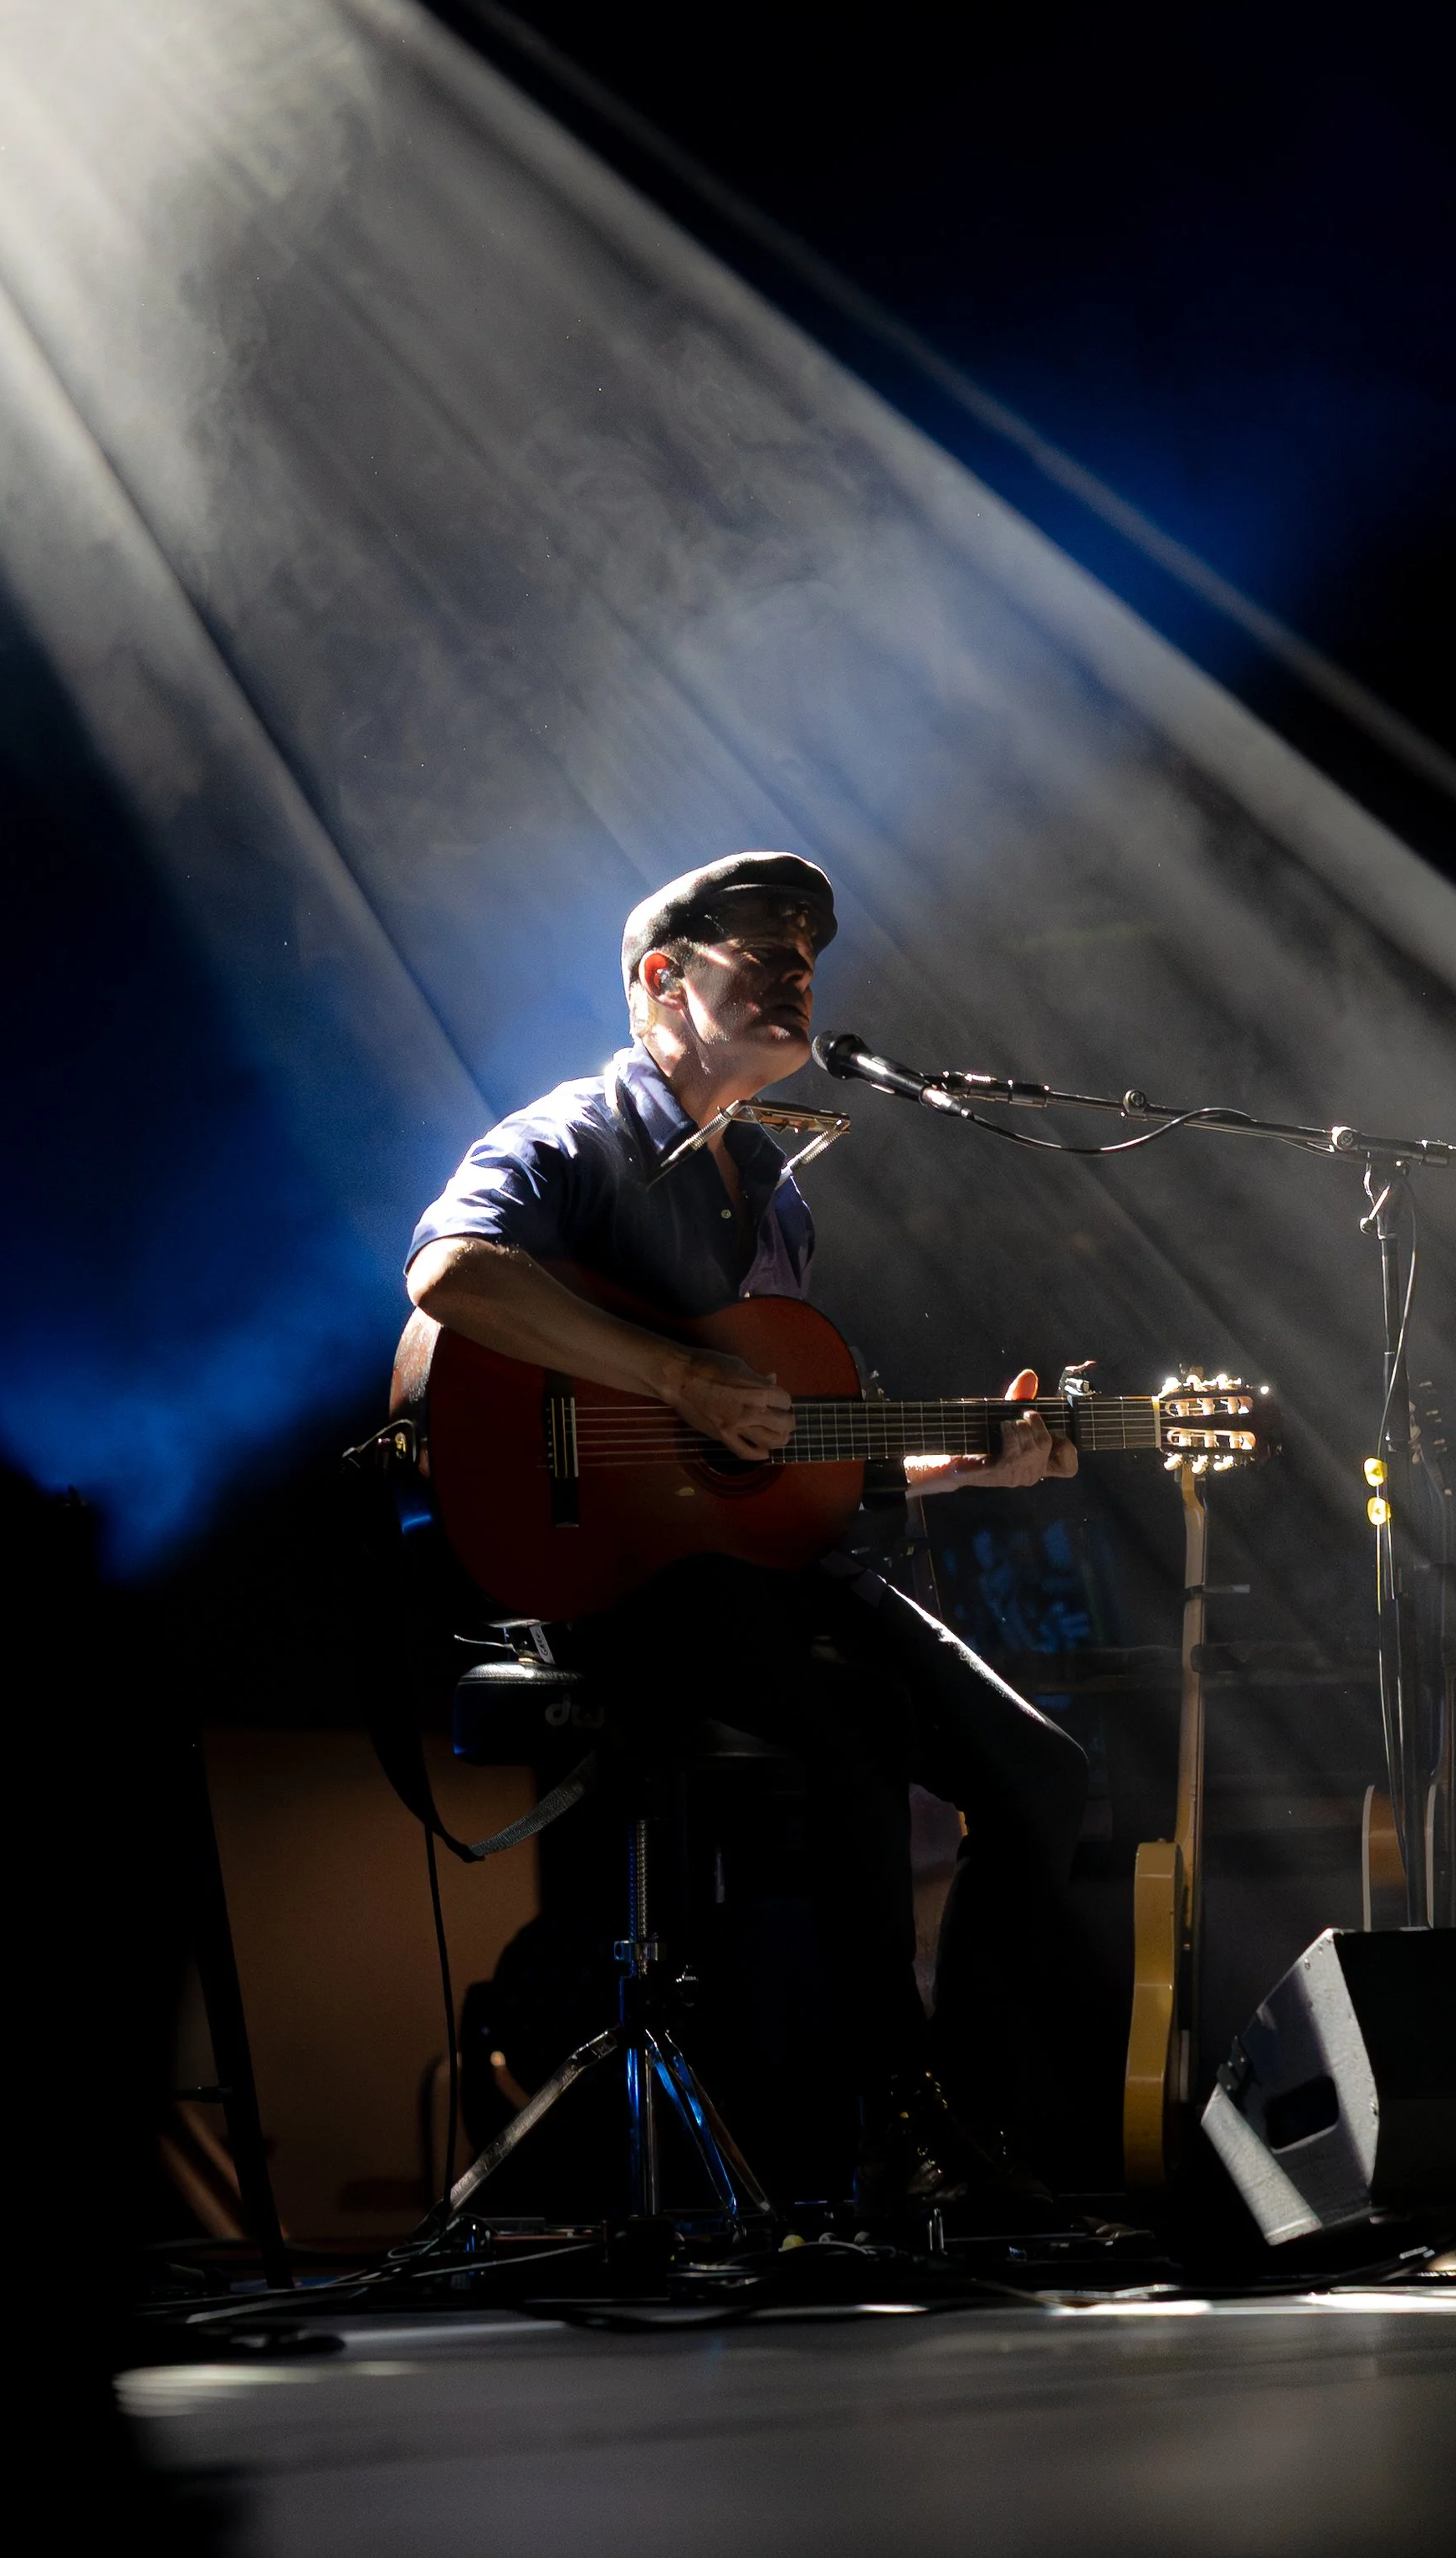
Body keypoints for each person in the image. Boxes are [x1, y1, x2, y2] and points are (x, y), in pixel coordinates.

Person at [403, 851, 1088, 2218]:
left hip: (769, 1570)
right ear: (663, 979)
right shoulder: (577, 1134)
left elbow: (782, 1461)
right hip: (615, 1573)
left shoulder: (779, 1187)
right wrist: (670, 1377)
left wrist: (971, 1463)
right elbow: (450, 1266)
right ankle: (891, 2123)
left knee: (1046, 1777)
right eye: (760, 954)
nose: (797, 976)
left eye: (808, 958)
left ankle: (979, 2122)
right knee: (853, 1724)